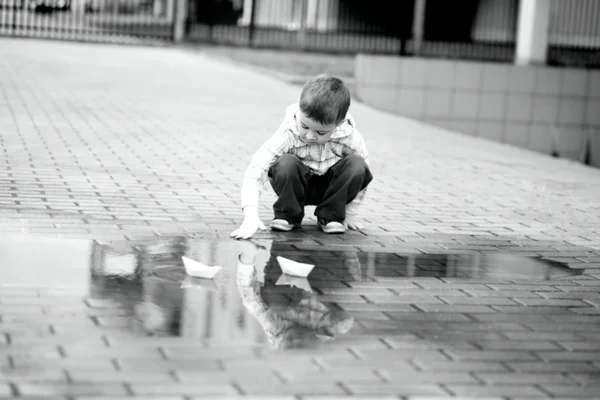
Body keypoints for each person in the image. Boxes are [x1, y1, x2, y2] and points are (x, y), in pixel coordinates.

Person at [230, 74, 373, 240]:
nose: (310, 136)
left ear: (338, 124)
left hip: (332, 189)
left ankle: (332, 216)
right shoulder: (288, 133)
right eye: (305, 126)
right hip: (295, 185)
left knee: (357, 163)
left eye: (320, 132)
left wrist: (350, 213)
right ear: (299, 110)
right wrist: (251, 215)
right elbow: (256, 170)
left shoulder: (349, 137)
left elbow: (362, 176)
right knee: (286, 163)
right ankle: (288, 214)